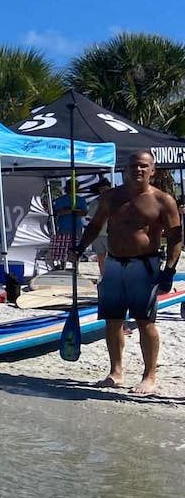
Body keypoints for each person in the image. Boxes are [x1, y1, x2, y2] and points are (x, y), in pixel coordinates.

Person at [74, 150, 181, 395]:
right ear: (125, 169)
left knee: (145, 322)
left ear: (152, 170)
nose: (138, 170)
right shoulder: (111, 197)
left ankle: (149, 376)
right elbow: (95, 225)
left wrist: (169, 270)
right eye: (133, 166)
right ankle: (116, 372)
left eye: (144, 166)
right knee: (112, 321)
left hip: (143, 266)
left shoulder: (163, 200)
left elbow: (176, 238)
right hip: (113, 265)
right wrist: (80, 247)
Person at [51, 179, 88, 270]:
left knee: (76, 249)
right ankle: (63, 267)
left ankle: (76, 268)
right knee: (63, 249)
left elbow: (84, 213)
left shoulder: (80, 200)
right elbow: (58, 212)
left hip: (77, 227)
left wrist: (70, 211)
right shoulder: (60, 200)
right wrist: (71, 210)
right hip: (64, 227)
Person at [86, 177, 111, 275]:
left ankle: (111, 274)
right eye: (102, 189)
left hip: (110, 234)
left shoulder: (115, 200)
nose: (104, 190)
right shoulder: (94, 202)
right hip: (98, 234)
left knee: (113, 257)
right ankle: (103, 275)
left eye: (105, 188)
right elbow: (90, 217)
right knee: (100, 256)